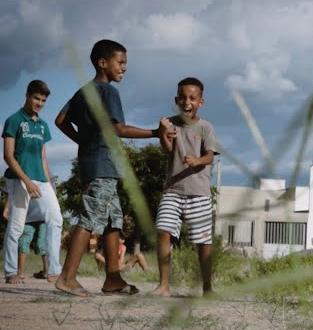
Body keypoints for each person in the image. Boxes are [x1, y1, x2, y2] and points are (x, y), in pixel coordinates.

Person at [54, 39, 171, 296]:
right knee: (90, 218)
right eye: (121, 62)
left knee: (112, 221)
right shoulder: (108, 92)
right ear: (102, 63)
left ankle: (113, 279)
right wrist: (155, 132)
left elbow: (60, 120)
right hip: (102, 165)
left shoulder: (82, 92)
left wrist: (82, 140)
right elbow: (118, 129)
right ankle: (67, 277)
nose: (124, 68)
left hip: (93, 162)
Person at [152, 77, 218, 297]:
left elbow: (210, 156)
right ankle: (163, 285)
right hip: (173, 190)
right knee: (163, 230)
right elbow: (168, 149)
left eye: (192, 98)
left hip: (199, 193)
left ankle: (207, 287)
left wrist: (197, 161)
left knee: (203, 242)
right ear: (176, 100)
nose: (186, 101)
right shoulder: (169, 124)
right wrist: (162, 133)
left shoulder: (206, 127)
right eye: (182, 97)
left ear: (201, 102)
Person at [2, 80, 63, 284]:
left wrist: (50, 185)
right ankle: (11, 272)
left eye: (43, 100)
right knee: (17, 226)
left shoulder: (43, 126)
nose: (39, 103)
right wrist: (26, 181)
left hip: (41, 179)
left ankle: (53, 270)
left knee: (56, 219)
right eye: (36, 98)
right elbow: (8, 157)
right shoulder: (14, 120)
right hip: (19, 179)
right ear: (27, 95)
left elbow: (43, 158)